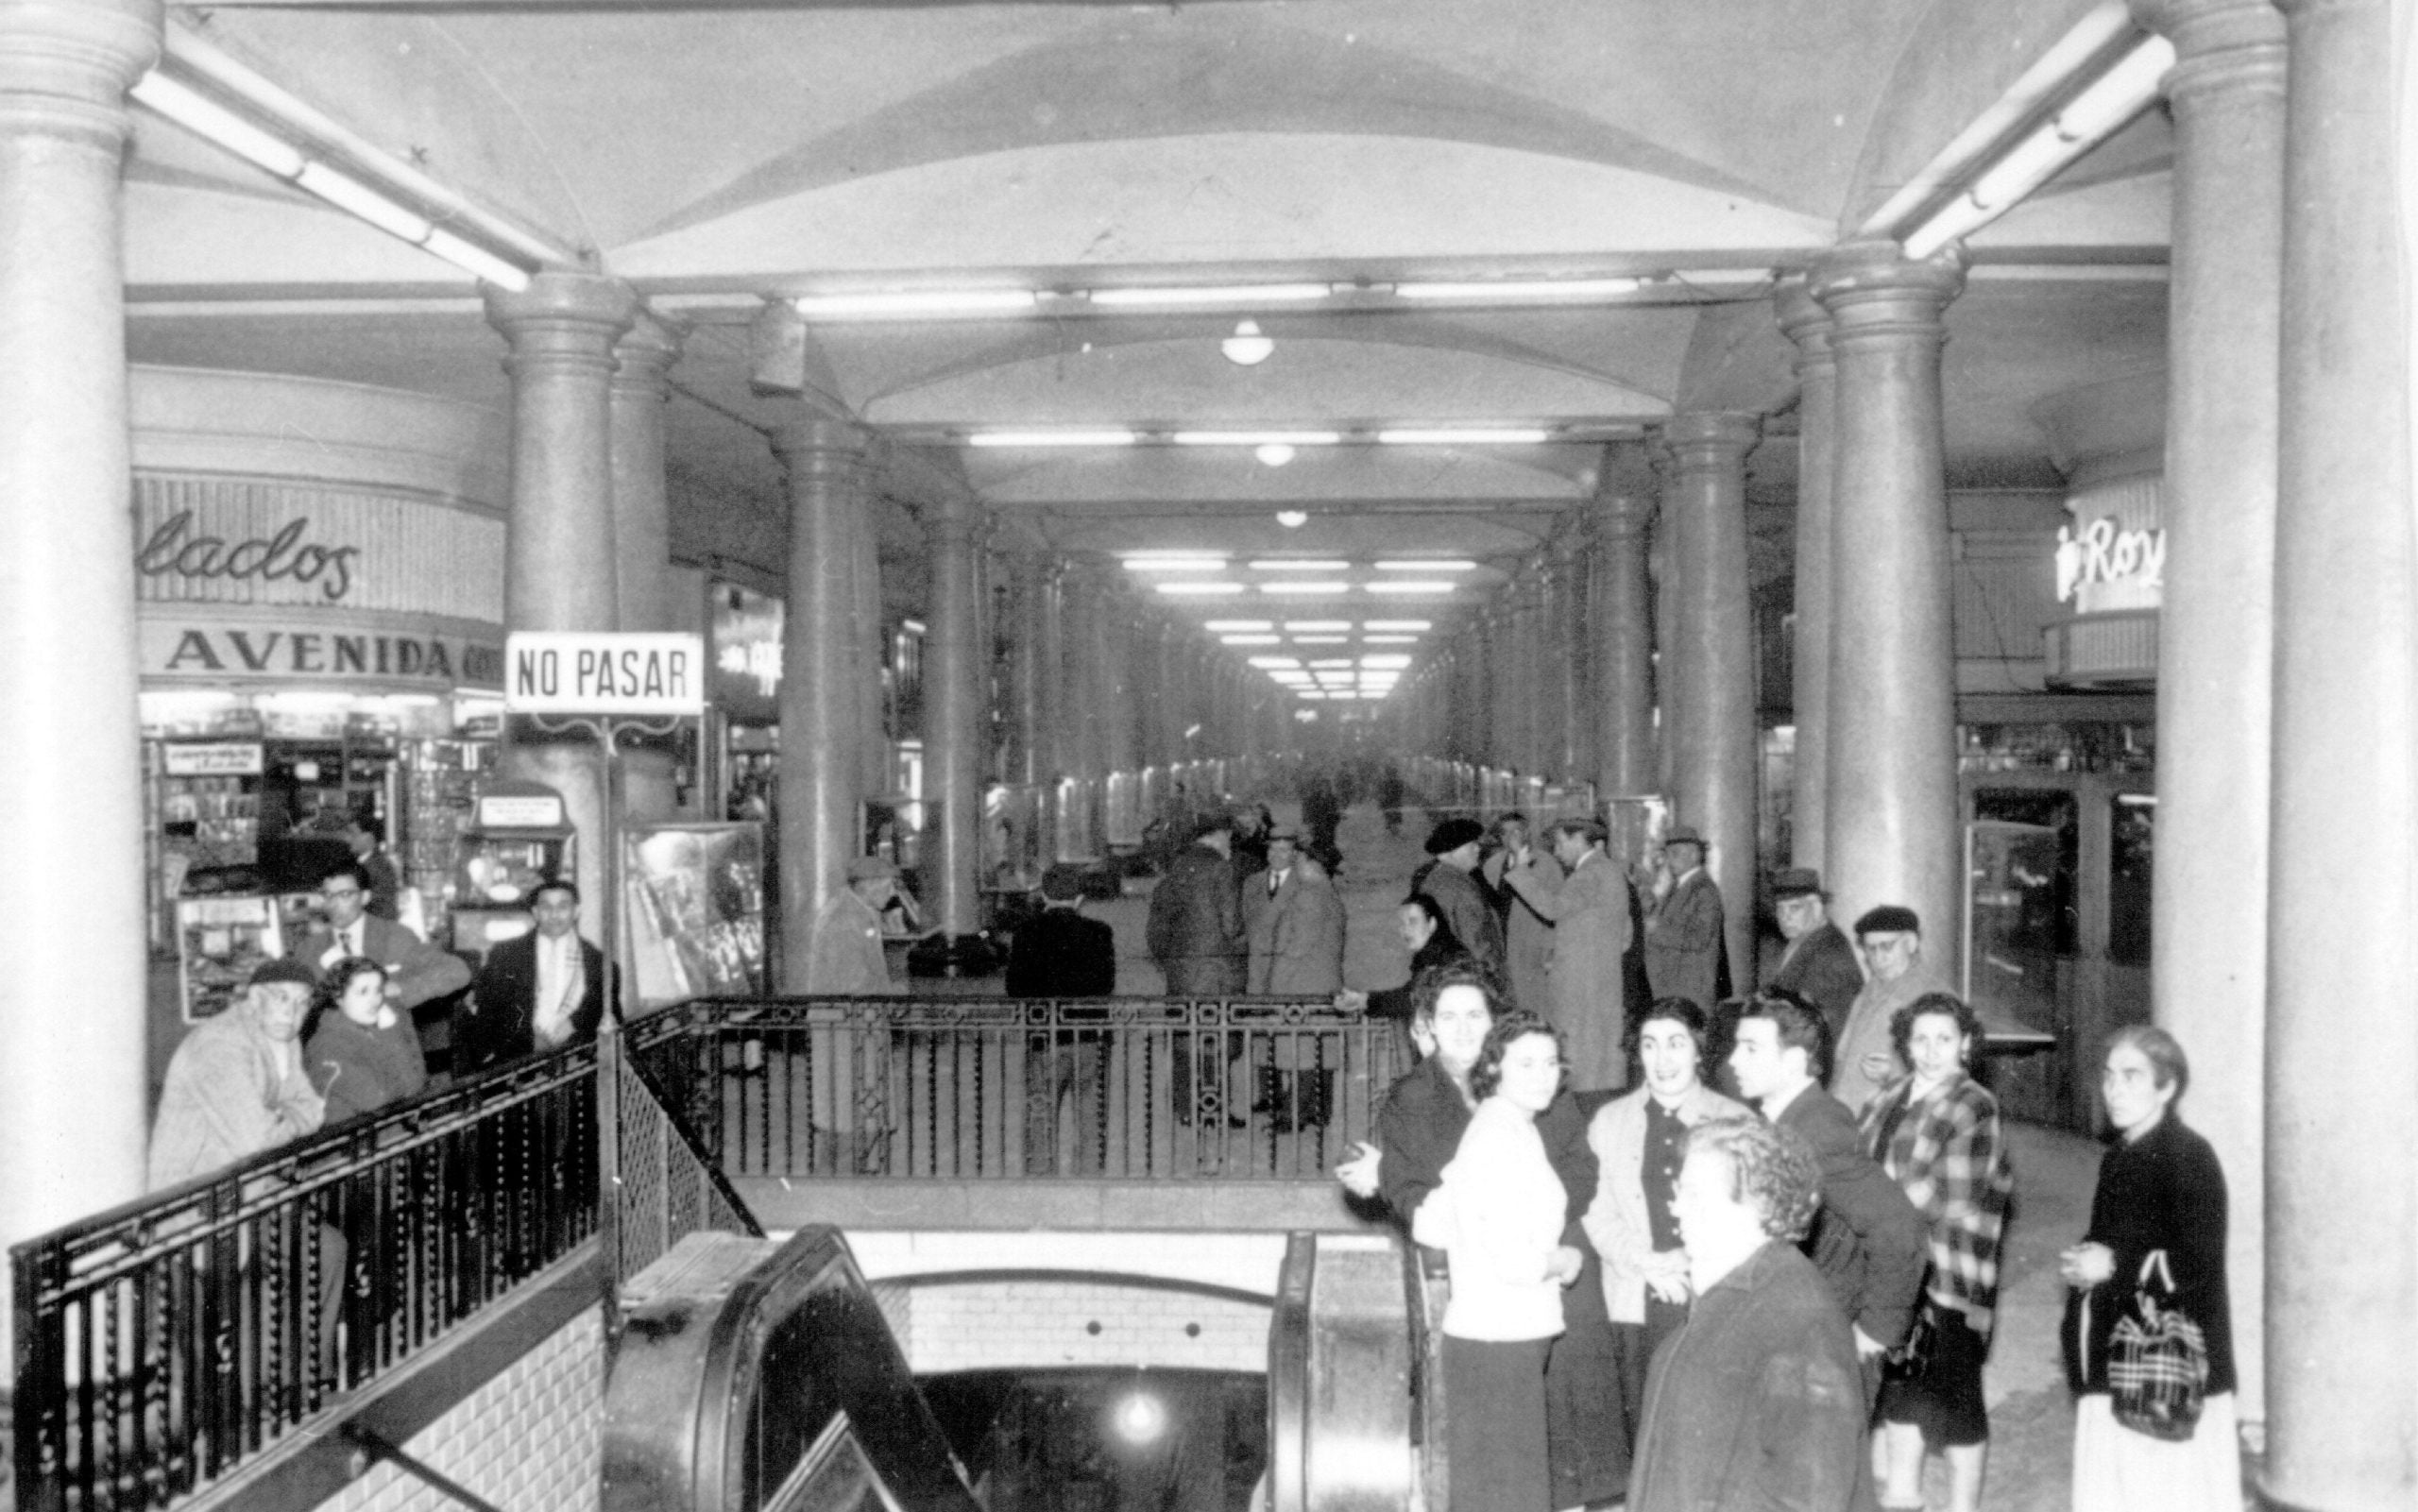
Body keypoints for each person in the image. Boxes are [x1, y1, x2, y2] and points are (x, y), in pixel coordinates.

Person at [1335, 966, 1626, 1510]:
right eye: (1449, 1016)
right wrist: (1506, 1222)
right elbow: (1421, 1196)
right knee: (1507, 1465)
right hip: (1492, 1283)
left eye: (1476, 1014)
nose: (1464, 1027)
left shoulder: (1535, 1084)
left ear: (1494, 1025)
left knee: (1560, 1439)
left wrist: (1522, 1213)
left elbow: (1578, 1172)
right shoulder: (1417, 1098)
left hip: (1548, 1275)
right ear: (1427, 1027)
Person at [1627, 1116, 1868, 1512]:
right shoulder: (1725, 1288)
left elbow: (1810, 1495)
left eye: (1694, 1195)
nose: (1676, 1207)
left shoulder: (1801, 1319)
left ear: (1756, 1204)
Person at [2059, 1027, 2240, 1512]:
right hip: (2116, 1357)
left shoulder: (2188, 1157)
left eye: (2132, 1077)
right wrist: (2087, 1259)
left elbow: (2197, 1265)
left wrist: (2112, 1266)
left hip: (2163, 1368)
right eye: (2110, 1076)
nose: (2114, 1089)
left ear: (2167, 1088)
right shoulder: (2121, 1155)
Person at [1411, 1009, 1583, 1512]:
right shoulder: (1500, 1137)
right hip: (1502, 1341)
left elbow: (1429, 1221)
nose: (1543, 1075)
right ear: (1494, 1069)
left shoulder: (1501, 1127)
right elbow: (1514, 1262)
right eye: (1525, 1064)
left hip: (1488, 1338)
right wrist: (1564, 1259)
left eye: (1551, 1063)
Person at [1858, 993, 2015, 1512]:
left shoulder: (1974, 1104)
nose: (1930, 1050)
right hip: (1892, 1268)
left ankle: (1962, 1507)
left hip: (1947, 1273)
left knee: (1956, 1399)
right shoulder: (1889, 1096)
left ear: (1965, 1044)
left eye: (1943, 1039)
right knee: (1900, 1393)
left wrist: (1867, 1205)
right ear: (1905, 1043)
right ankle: (1902, 1497)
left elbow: (1946, 1196)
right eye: (1920, 1038)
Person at [1729, 992, 1929, 1399]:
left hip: (1822, 1335)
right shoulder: (1784, 1117)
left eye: (1750, 1048)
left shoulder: (1816, 1128)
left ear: (1795, 1061)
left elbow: (1899, 1228)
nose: (1734, 1059)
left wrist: (1877, 1333)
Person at [1582, 998, 1752, 1464]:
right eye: (1650, 1045)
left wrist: (1689, 1263)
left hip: (1710, 1297)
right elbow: (1596, 1212)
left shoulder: (1735, 1121)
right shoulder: (1609, 1121)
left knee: (1708, 1439)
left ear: (1700, 1051)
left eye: (1676, 1044)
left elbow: (1748, 1217)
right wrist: (1646, 1262)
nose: (1663, 1059)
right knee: (1644, 1441)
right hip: (1635, 1296)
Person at [147, 958, 327, 1190]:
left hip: (248, 1183)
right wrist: (294, 1117)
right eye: (281, 998)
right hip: (193, 1198)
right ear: (255, 998)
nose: (290, 1012)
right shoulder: (218, 1045)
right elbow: (256, 1139)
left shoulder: (284, 1035)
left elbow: (312, 1106)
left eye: (301, 1003)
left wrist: (280, 1120)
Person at [1500, 816, 1636, 1093]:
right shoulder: (1610, 872)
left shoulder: (1589, 873)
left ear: (1578, 839)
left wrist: (1521, 870)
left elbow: (1552, 908)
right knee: (1599, 1059)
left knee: (1577, 1061)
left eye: (1561, 842)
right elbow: (1625, 934)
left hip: (1579, 986)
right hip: (1598, 979)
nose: (1557, 851)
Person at [464, 877, 614, 1069]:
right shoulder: (505, 955)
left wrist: (575, 1024)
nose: (554, 914)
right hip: (518, 1066)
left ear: (577, 911)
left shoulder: (599, 963)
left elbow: (608, 1017)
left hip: (578, 1066)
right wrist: (527, 1040)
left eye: (563, 907)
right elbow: (489, 1015)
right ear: (535, 912)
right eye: (546, 907)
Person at [290, 859, 471, 1016]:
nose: (333, 904)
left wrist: (399, 990)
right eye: (327, 895)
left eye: (345, 895)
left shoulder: (395, 936)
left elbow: (455, 971)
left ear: (365, 897)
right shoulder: (309, 949)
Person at [1831, 906, 1930, 1114]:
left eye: (1886, 947)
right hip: (1849, 1114)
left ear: (1910, 943)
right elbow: (1843, 1054)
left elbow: (1946, 1072)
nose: (1878, 958)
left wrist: (1893, 1073)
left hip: (1889, 1118)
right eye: (1871, 949)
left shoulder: (1930, 996)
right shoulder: (1870, 989)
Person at [306, 957, 428, 1125]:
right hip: (351, 1145)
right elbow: (378, 1099)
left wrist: (391, 1033)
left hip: (384, 1135)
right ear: (337, 996)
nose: (375, 1001)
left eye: (378, 991)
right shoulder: (327, 1045)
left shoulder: (372, 1030)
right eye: (363, 992)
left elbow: (416, 1086)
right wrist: (391, 1035)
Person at [1146, 814, 1247, 994]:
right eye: (1229, 838)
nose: (1229, 845)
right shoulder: (1221, 869)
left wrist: (1170, 960)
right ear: (1219, 835)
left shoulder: (1177, 866)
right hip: (1215, 976)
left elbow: (1156, 928)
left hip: (1179, 975)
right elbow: (1232, 927)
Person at [1768, 868, 1865, 1045]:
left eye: (1794, 908)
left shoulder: (1829, 950)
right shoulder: (1801, 940)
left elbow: (1822, 1025)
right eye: (1780, 909)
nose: (1785, 918)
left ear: (1816, 907)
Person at [1336, 894, 1468, 1025]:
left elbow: (1413, 1000)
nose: (1406, 929)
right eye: (1402, 923)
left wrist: (1364, 1000)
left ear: (1432, 924)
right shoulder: (1437, 954)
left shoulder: (1443, 957)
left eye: (1413, 921)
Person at [1243, 827, 1346, 994]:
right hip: (1267, 978)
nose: (1275, 855)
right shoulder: (1252, 883)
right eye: (1272, 849)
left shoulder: (1308, 890)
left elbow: (1298, 947)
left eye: (1283, 850)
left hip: (1295, 984)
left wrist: (1273, 987)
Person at [1482, 811, 1562, 1015]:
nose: (1512, 837)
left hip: (1533, 949)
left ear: (1527, 833)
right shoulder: (1491, 866)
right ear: (1499, 837)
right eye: (1506, 833)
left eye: (1516, 831)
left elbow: (1556, 913)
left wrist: (1551, 950)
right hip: (1502, 948)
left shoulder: (1547, 864)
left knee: (1534, 1007)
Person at [1005, 862, 1118, 996]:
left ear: (1044, 896)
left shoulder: (1025, 930)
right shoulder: (1100, 932)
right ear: (1079, 898)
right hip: (1085, 1015)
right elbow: (1106, 985)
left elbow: (1014, 986)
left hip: (1039, 1014)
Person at [1417, 816, 1506, 986]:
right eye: (1471, 845)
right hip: (1469, 980)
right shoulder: (1460, 889)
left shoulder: (1437, 878)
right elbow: (1476, 944)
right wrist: (1493, 982)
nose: (1478, 849)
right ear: (1452, 851)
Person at [1643, 826, 1725, 1010]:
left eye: (1676, 854)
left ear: (1695, 855)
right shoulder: (1677, 886)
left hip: (1689, 989)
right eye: (1668, 854)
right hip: (1671, 985)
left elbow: (1699, 938)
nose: (1669, 861)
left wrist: (1656, 929)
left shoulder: (1704, 890)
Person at [803, 856, 907, 994]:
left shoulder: (863, 909)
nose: (893, 893)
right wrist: (895, 992)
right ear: (869, 886)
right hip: (841, 1013)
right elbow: (853, 986)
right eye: (889, 886)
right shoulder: (842, 920)